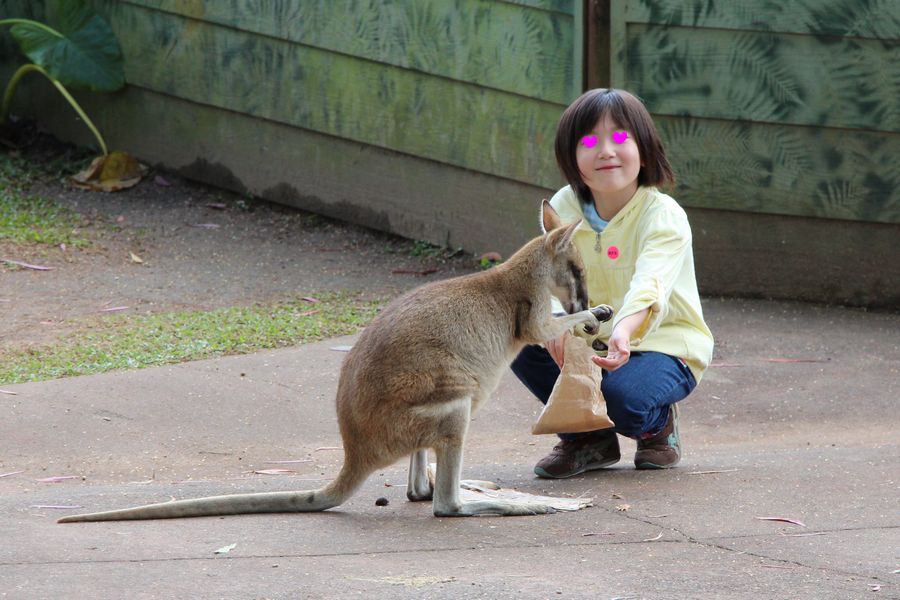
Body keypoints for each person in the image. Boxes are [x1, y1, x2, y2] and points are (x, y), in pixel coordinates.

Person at [511, 88, 714, 478]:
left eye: (620, 137)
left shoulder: (663, 215)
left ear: (645, 147)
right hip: (589, 340)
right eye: (589, 141)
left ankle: (657, 429)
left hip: (660, 345)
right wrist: (553, 320)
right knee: (519, 335)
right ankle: (586, 439)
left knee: (626, 400)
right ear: (571, 156)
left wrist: (624, 329)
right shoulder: (565, 206)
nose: (605, 150)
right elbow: (548, 276)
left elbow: (649, 281)